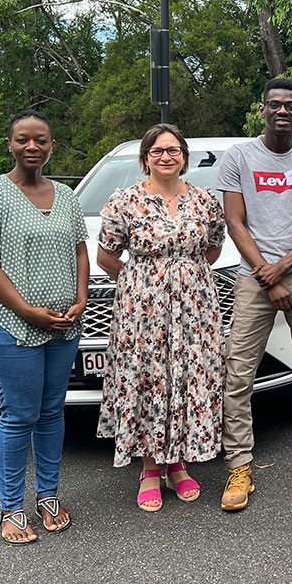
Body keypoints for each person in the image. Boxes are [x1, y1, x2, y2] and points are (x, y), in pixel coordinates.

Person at [0, 110, 88, 545]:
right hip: (12, 325)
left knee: (52, 412)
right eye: (23, 140)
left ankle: (48, 496)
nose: (32, 147)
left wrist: (81, 299)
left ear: (52, 145)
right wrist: (27, 310)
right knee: (18, 416)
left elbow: (80, 253)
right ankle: (11, 508)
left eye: (41, 140)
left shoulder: (67, 196)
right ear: (10, 144)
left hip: (62, 327)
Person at [216, 77, 292, 509]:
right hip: (254, 278)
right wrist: (266, 277)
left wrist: (282, 270)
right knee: (237, 375)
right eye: (275, 105)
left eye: (291, 105)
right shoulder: (239, 157)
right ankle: (238, 467)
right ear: (263, 110)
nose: (282, 111)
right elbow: (235, 222)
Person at [95, 123, 226, 512]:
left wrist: (184, 277)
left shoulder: (204, 200)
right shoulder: (125, 201)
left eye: (173, 150)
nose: (165, 156)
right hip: (142, 313)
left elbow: (214, 248)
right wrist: (143, 284)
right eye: (157, 151)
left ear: (184, 157)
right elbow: (106, 257)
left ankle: (177, 463)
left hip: (194, 311)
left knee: (185, 379)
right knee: (150, 381)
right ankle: (150, 467)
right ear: (146, 157)